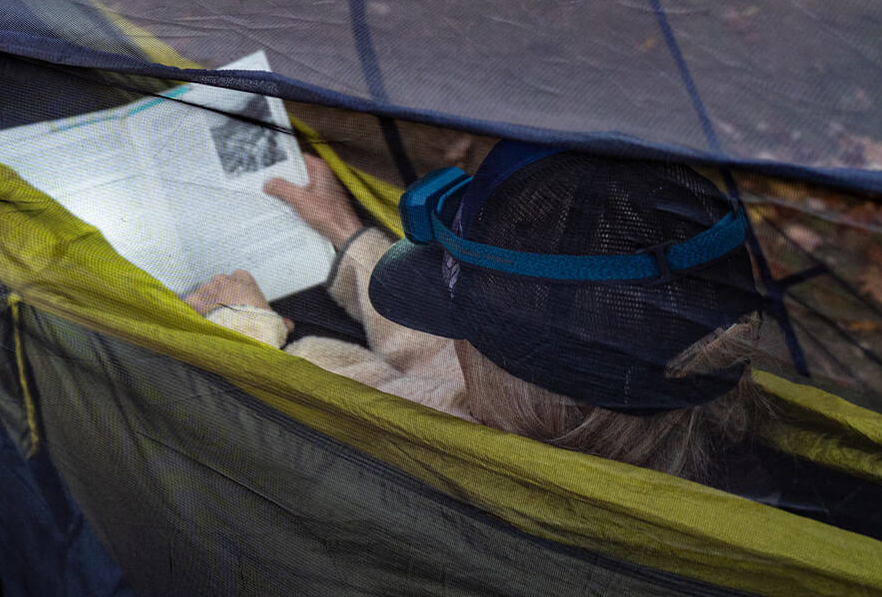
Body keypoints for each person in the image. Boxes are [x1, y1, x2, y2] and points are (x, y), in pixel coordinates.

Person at [185, 141, 767, 484]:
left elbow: (378, 404)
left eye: (466, 332)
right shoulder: (680, 395)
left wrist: (249, 335)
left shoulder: (451, 466)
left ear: (519, 398)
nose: (455, 347)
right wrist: (346, 233)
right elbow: (436, 363)